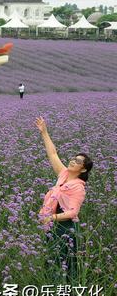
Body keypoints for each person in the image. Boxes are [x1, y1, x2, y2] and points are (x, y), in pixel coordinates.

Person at [35, 117, 92, 283]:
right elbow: (52, 153)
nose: (73, 160)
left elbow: (73, 212)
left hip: (65, 228)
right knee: (52, 260)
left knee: (63, 263)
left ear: (83, 169)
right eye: (73, 158)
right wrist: (44, 132)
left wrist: (50, 218)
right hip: (53, 224)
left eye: (77, 161)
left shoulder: (78, 187)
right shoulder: (64, 174)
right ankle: (53, 291)